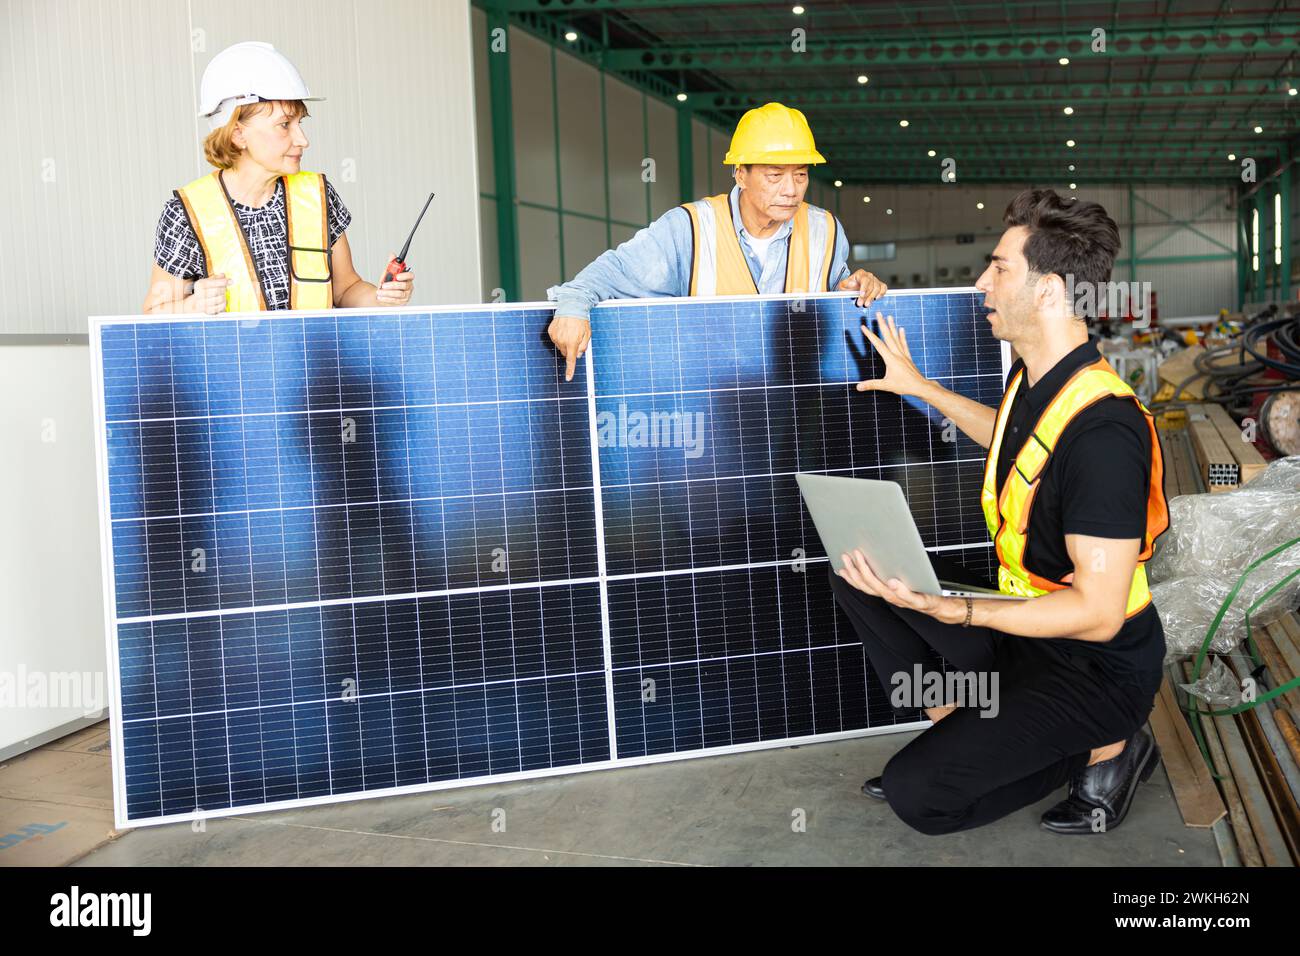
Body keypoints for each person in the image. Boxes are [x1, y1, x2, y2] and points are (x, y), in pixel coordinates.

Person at [830, 187, 1170, 835]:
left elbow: (1097, 612)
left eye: (1000, 268)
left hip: (1090, 667)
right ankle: (972, 728)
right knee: (860, 570)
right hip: (1023, 627)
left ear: (1047, 292)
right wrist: (922, 389)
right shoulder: (1037, 375)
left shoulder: (1107, 431)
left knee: (919, 795)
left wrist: (956, 609)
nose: (982, 283)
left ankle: (1103, 747)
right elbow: (1021, 442)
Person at [545, 102, 888, 380]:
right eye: (774, 175)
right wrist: (573, 309)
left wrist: (853, 287)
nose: (791, 189)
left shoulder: (824, 229)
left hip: (796, 406)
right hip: (711, 407)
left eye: (800, 174)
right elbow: (605, 276)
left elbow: (832, 308)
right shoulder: (689, 228)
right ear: (741, 174)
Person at [144, 41, 414, 314]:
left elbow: (346, 290)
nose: (303, 140)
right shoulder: (187, 212)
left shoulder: (318, 195)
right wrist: (192, 305)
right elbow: (154, 312)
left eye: (300, 123)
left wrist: (383, 297)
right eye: (285, 125)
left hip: (314, 357)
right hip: (236, 359)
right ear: (238, 134)